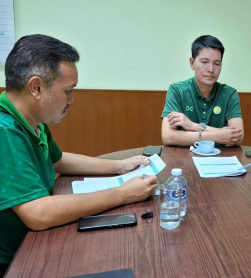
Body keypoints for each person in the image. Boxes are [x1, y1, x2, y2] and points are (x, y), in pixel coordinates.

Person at [0, 34, 158, 276]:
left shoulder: (32, 121)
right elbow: (38, 213)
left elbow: (59, 160)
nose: (71, 100)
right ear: (37, 87)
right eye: (68, 91)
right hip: (14, 264)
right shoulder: (5, 132)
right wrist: (122, 194)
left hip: (33, 245)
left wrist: (119, 166)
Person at [161, 35, 244, 146]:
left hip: (219, 158)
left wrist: (193, 126)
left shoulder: (229, 93)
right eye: (204, 62)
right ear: (192, 63)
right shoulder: (176, 90)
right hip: (183, 157)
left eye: (217, 63)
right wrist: (219, 135)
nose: (211, 69)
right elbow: (168, 136)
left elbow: (237, 137)